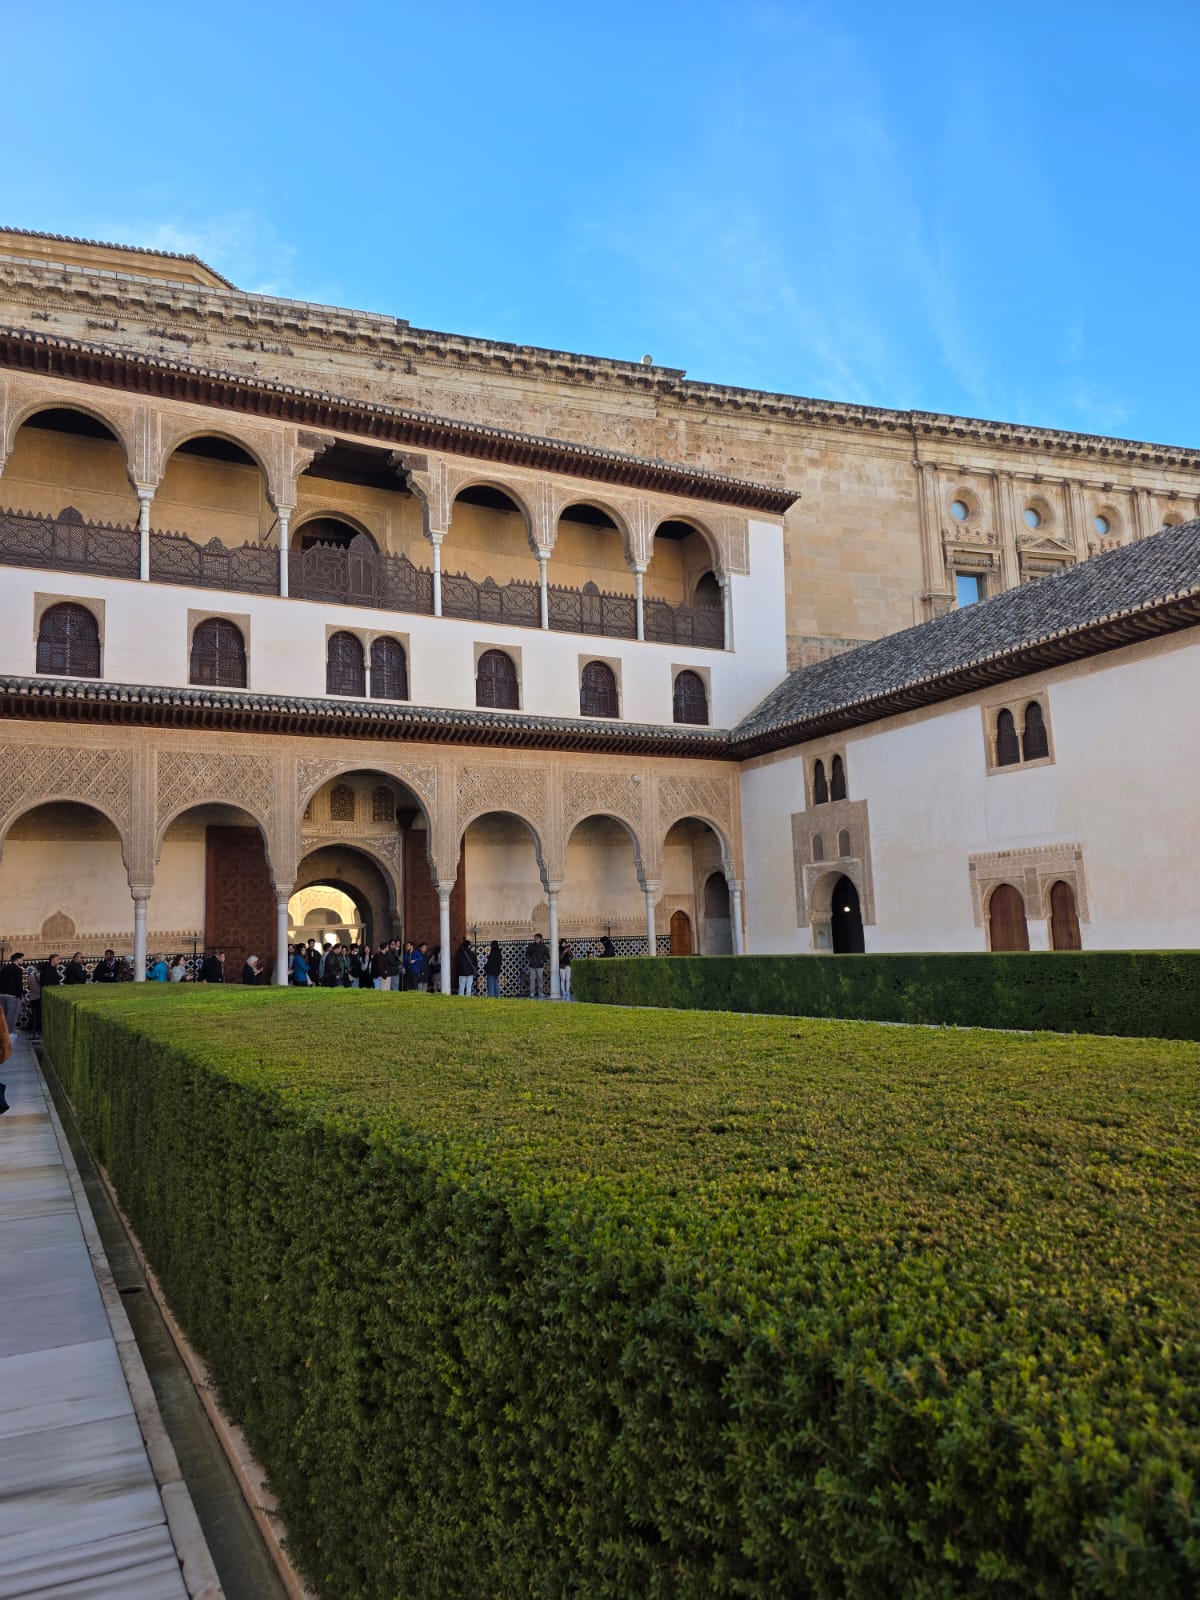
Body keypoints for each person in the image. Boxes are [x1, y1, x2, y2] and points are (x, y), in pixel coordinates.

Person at [0, 952, 25, 1033]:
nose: (23, 960)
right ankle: (9, 1032)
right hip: (12, 995)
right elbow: (19, 983)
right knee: (11, 1014)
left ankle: (3, 1032)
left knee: (3, 1014)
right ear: (17, 959)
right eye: (22, 959)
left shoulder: (4, 969)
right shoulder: (17, 970)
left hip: (2, 994)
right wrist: (21, 995)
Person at [525, 932, 549, 998]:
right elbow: (527, 954)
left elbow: (547, 955)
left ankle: (540, 992)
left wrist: (542, 961)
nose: (535, 939)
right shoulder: (531, 946)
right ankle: (532, 992)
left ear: (540, 939)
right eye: (535, 938)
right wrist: (530, 959)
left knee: (540, 979)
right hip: (532, 965)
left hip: (540, 965)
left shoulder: (543, 946)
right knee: (532, 979)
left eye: (537, 938)